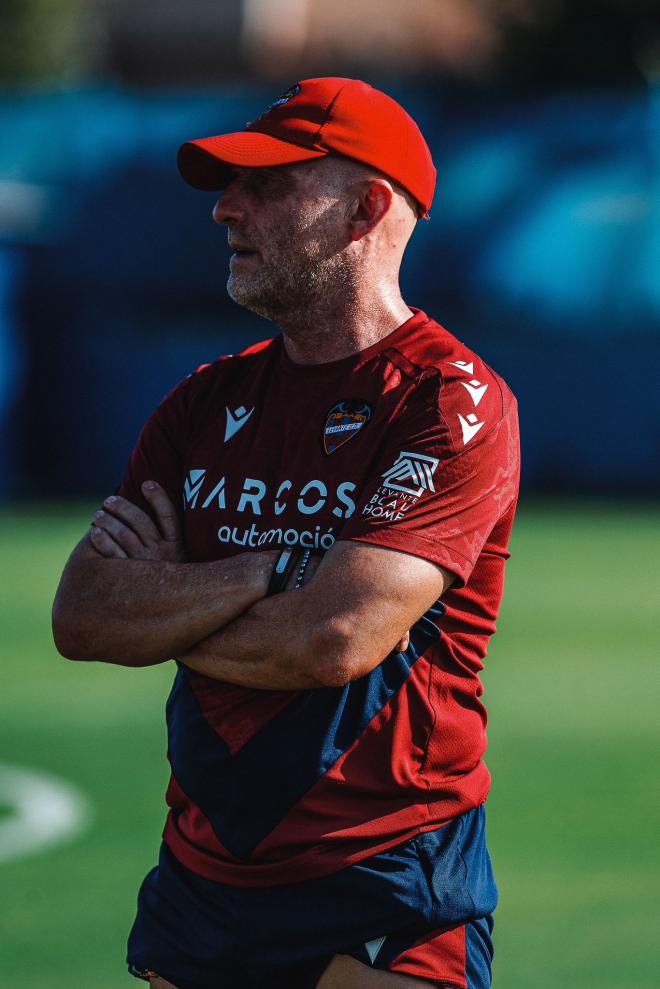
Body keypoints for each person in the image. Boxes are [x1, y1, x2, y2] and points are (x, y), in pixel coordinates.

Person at [52, 77, 520, 989]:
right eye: (231, 186)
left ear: (366, 208)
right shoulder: (202, 400)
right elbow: (84, 618)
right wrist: (282, 566)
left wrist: (177, 603)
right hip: (206, 869)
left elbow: (332, 636)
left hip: (382, 878)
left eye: (267, 185)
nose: (227, 208)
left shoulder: (450, 399)